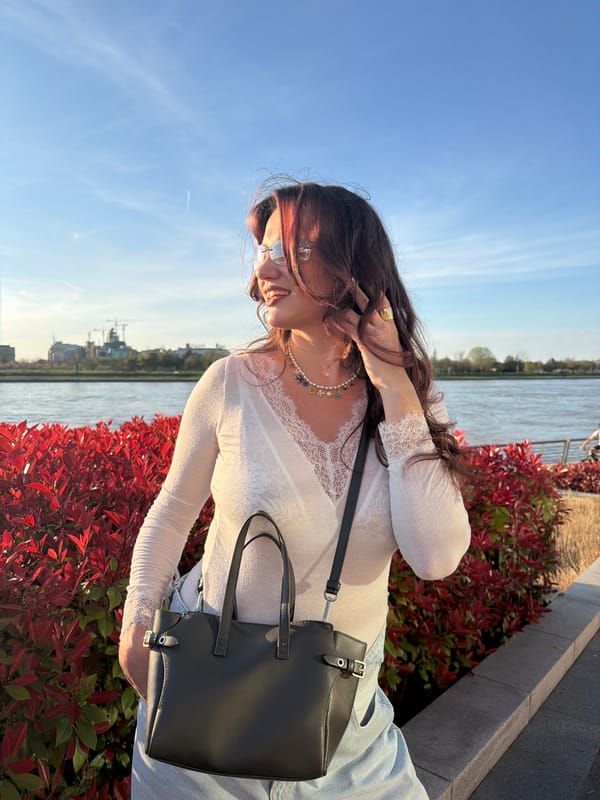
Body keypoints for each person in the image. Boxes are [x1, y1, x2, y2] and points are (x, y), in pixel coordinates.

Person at [119, 180, 472, 799]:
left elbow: (437, 557)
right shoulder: (231, 382)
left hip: (350, 732)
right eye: (268, 248)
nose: (269, 264)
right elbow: (173, 511)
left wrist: (394, 383)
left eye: (300, 247)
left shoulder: (409, 402)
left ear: (353, 271)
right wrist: (136, 626)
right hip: (207, 706)